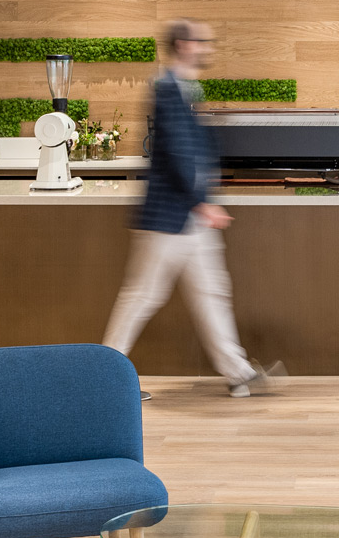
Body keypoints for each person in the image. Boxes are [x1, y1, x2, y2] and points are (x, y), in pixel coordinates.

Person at [101, 20, 279, 397]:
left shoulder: (186, 89)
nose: (207, 47)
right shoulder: (167, 88)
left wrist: (206, 201)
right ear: (184, 45)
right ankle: (103, 378)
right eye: (202, 42)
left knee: (211, 291)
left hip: (190, 218)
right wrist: (202, 201)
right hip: (170, 216)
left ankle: (238, 372)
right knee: (142, 296)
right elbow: (179, 152)